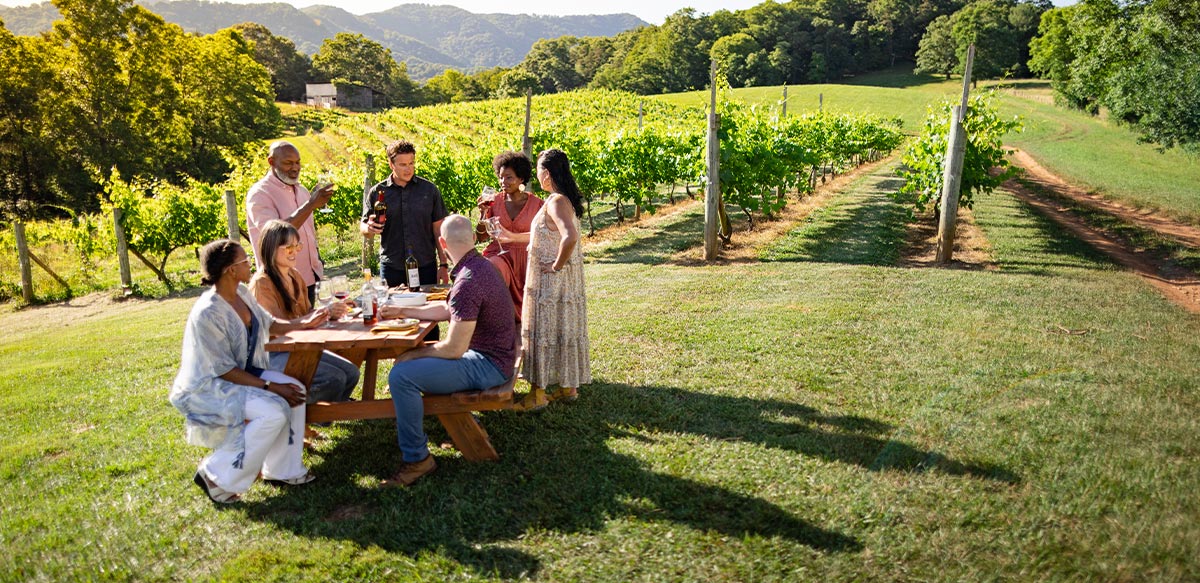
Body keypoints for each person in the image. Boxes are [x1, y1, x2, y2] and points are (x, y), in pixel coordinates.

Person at [169, 239, 325, 504]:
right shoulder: (208, 312)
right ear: (231, 270)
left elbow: (269, 324)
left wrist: (305, 322)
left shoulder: (241, 293)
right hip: (211, 387)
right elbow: (223, 369)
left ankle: (283, 470)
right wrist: (271, 387)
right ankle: (215, 475)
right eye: (245, 261)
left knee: (296, 390)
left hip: (242, 374)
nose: (250, 264)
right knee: (272, 412)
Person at [376, 214, 516, 486]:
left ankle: (418, 460)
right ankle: (439, 439)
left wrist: (412, 354)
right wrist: (401, 309)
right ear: (474, 239)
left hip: (490, 365)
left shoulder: (467, 280)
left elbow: (453, 348)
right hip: (497, 357)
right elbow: (449, 309)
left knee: (402, 376)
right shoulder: (478, 266)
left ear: (442, 243)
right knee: (412, 365)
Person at [249, 219, 360, 404]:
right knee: (335, 378)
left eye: (297, 247)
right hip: (274, 352)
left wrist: (329, 313)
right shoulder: (262, 284)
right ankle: (286, 405)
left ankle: (332, 409)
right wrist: (320, 314)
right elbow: (276, 328)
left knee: (351, 372)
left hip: (299, 346)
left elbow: (306, 314)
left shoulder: (294, 275)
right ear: (270, 248)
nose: (294, 253)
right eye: (289, 248)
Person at [517, 149, 592, 411]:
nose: (536, 175)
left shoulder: (556, 201)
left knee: (544, 329)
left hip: (550, 282)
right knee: (562, 327)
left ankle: (537, 394)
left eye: (538, 169)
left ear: (546, 173)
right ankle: (568, 387)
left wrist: (556, 265)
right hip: (562, 281)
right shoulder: (563, 199)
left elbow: (569, 236)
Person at [246, 140, 334, 304]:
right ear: (271, 162)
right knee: (290, 329)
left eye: (298, 162)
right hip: (281, 282)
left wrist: (317, 260)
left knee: (311, 326)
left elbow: (308, 233)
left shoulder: (302, 191)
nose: (295, 168)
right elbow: (275, 235)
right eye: (288, 163)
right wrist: (311, 205)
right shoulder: (260, 194)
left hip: (309, 276)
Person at [361, 139, 451, 289]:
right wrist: (368, 229)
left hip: (425, 266)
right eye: (403, 164)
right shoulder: (377, 192)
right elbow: (364, 227)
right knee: (394, 311)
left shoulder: (429, 190)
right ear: (391, 164)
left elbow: (438, 230)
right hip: (392, 267)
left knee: (426, 309)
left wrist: (443, 265)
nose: (408, 169)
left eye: (411, 163)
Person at [476, 150, 543, 323]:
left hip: (525, 260)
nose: (502, 182)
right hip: (499, 255)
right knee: (492, 267)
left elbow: (543, 235)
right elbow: (481, 237)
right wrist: (483, 214)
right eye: (500, 177)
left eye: (509, 177)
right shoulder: (493, 201)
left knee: (525, 321)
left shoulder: (537, 205)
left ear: (521, 178)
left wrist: (513, 237)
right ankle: (489, 321)